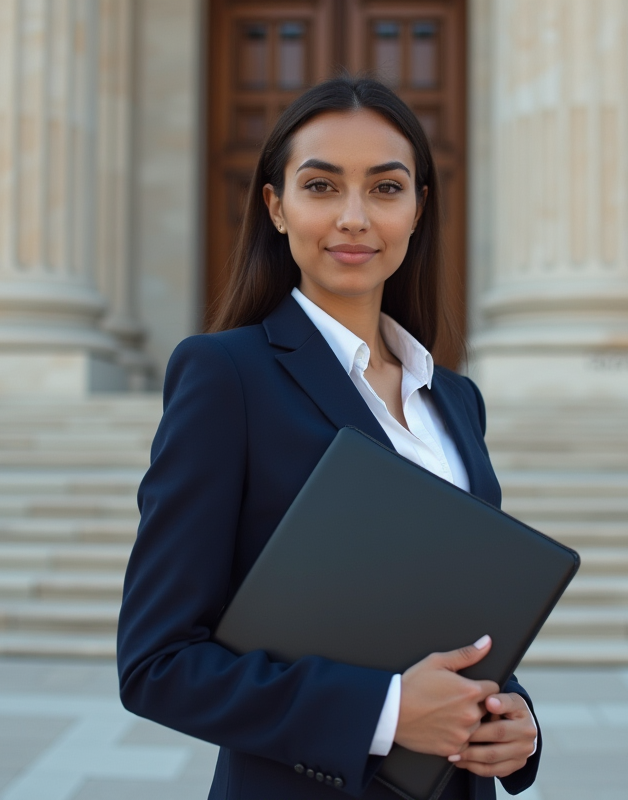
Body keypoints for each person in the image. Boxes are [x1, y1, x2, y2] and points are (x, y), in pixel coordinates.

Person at [117, 75, 541, 800]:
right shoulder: (226, 377)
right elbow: (158, 663)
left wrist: (512, 717)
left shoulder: (456, 401)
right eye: (321, 187)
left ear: (418, 208)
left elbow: (457, 613)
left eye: (385, 188)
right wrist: (386, 712)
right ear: (276, 207)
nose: (354, 218)